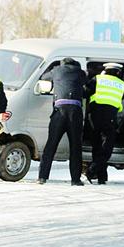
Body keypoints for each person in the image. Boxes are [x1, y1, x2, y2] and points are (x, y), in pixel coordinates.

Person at [85, 63, 124, 185]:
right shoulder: (120, 84)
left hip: (94, 118)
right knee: (107, 149)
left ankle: (101, 177)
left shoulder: (98, 79)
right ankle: (92, 170)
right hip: (109, 118)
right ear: (118, 73)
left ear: (105, 71)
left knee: (97, 147)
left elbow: (86, 92)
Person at [37, 57, 87, 186]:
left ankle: (42, 177)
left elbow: (43, 77)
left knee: (51, 145)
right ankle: (75, 180)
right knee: (75, 147)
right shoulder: (80, 72)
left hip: (59, 111)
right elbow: (87, 85)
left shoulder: (56, 70)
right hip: (75, 112)